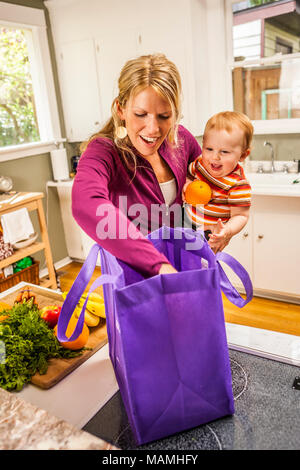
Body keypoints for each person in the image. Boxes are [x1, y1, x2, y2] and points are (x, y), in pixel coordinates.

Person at [72, 53, 201, 278]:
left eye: (164, 116)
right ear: (121, 109)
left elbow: (209, 181)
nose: (153, 129)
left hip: (185, 260)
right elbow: (85, 203)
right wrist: (158, 265)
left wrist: (223, 225)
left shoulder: (181, 140)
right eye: (140, 114)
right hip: (137, 273)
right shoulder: (103, 151)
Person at [183, 111, 253, 253]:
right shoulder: (200, 164)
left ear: (243, 155)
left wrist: (227, 231)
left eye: (224, 152)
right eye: (209, 149)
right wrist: (186, 185)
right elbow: (188, 175)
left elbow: (241, 216)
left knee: (203, 267)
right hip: (186, 225)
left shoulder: (237, 184)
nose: (214, 157)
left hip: (210, 235)